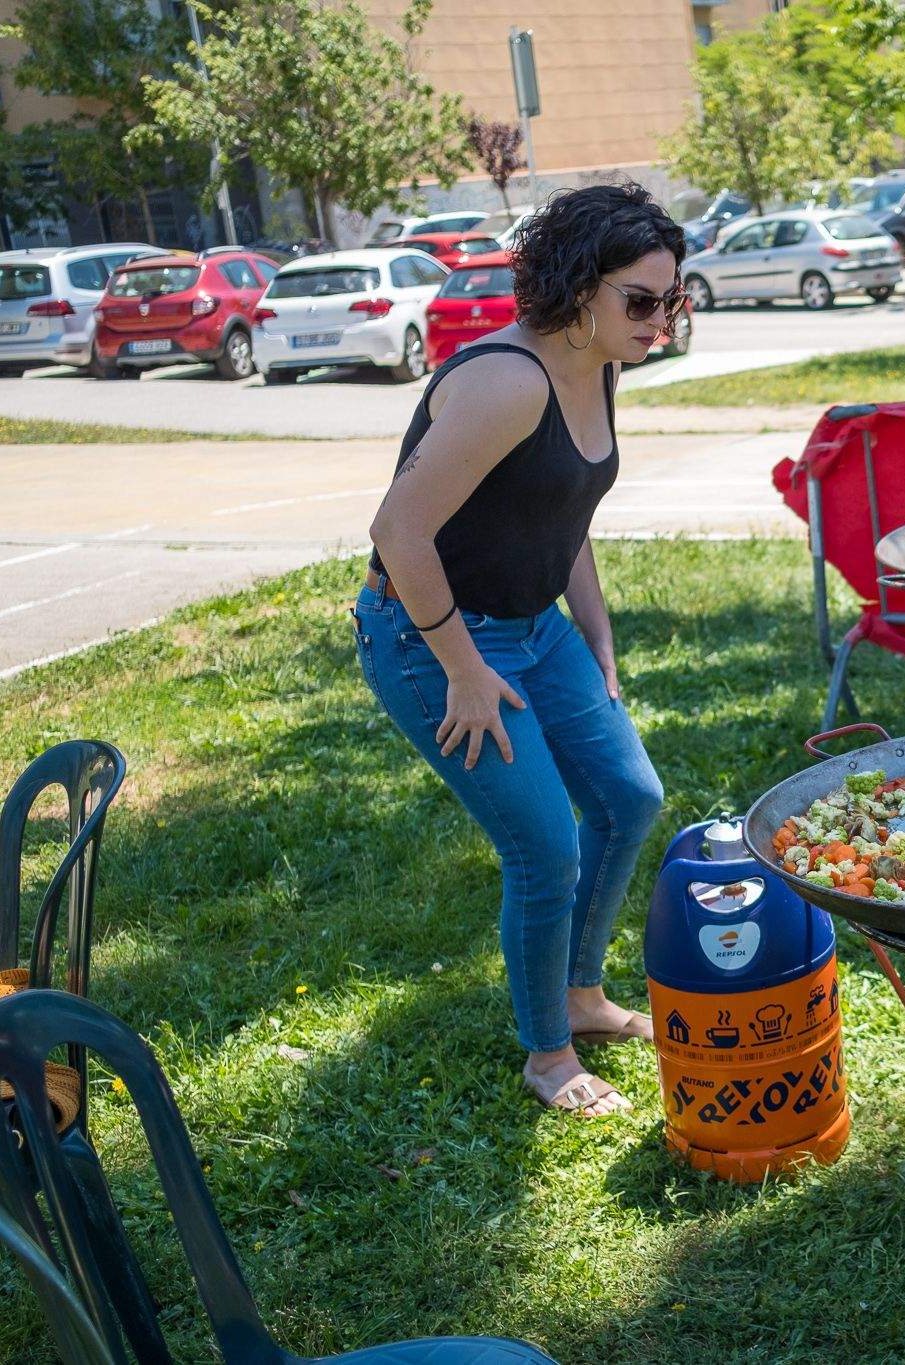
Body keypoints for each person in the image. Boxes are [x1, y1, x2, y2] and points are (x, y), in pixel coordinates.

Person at [356, 183, 687, 1117]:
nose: (661, 321)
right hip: (432, 633)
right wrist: (462, 668)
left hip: (537, 629)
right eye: (641, 300)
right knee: (545, 848)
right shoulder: (507, 381)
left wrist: (599, 640)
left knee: (630, 798)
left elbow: (565, 512)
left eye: (674, 299)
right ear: (581, 288)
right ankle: (548, 1055)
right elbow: (398, 531)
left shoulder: (602, 365)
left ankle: (581, 996)